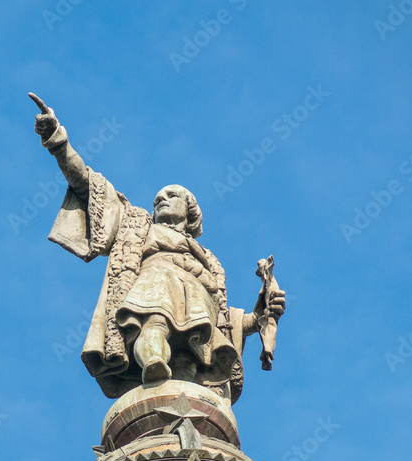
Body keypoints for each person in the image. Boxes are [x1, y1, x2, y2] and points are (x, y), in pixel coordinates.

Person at [30, 93, 285, 404]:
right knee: (154, 323)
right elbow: (88, 185)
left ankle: (182, 387)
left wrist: (260, 314)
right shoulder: (137, 225)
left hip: (196, 300)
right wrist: (58, 141)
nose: (161, 199)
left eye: (171, 195)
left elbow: (223, 322)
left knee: (194, 352)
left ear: (191, 212)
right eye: (157, 199)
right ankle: (153, 363)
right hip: (153, 285)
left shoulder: (209, 262)